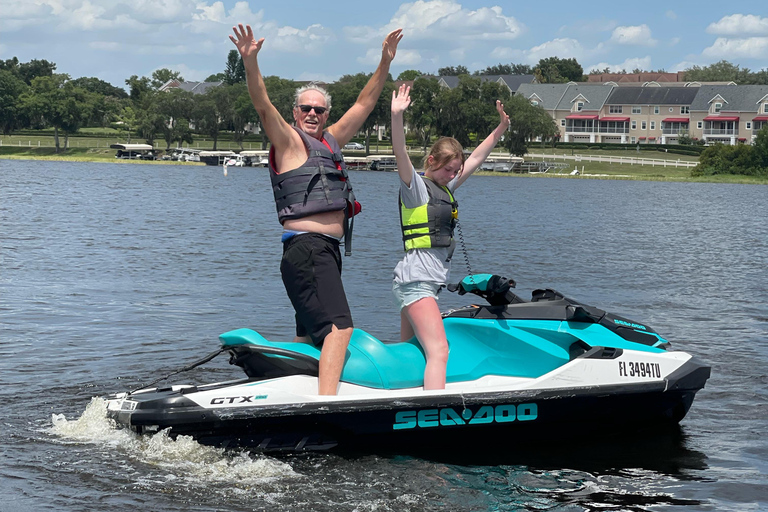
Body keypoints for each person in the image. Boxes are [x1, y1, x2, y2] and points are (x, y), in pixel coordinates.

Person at [230, 24, 403, 395]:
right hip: (308, 250)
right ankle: (325, 404)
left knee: (308, 337)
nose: (312, 112)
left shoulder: (332, 141)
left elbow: (364, 104)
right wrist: (250, 62)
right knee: (340, 330)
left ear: (326, 115)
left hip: (319, 253)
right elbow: (262, 103)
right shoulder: (289, 141)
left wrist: (384, 62)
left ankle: (291, 393)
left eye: (319, 109)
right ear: (295, 112)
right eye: (306, 107)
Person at [390, 84, 510, 390]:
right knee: (439, 350)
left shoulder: (445, 188)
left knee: (412, 353)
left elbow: (477, 159)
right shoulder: (415, 188)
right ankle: (433, 413)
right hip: (417, 280)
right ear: (431, 161)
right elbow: (400, 152)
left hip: (421, 281)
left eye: (455, 171)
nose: (453, 175)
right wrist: (396, 116)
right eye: (447, 170)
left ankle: (403, 402)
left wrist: (499, 129)